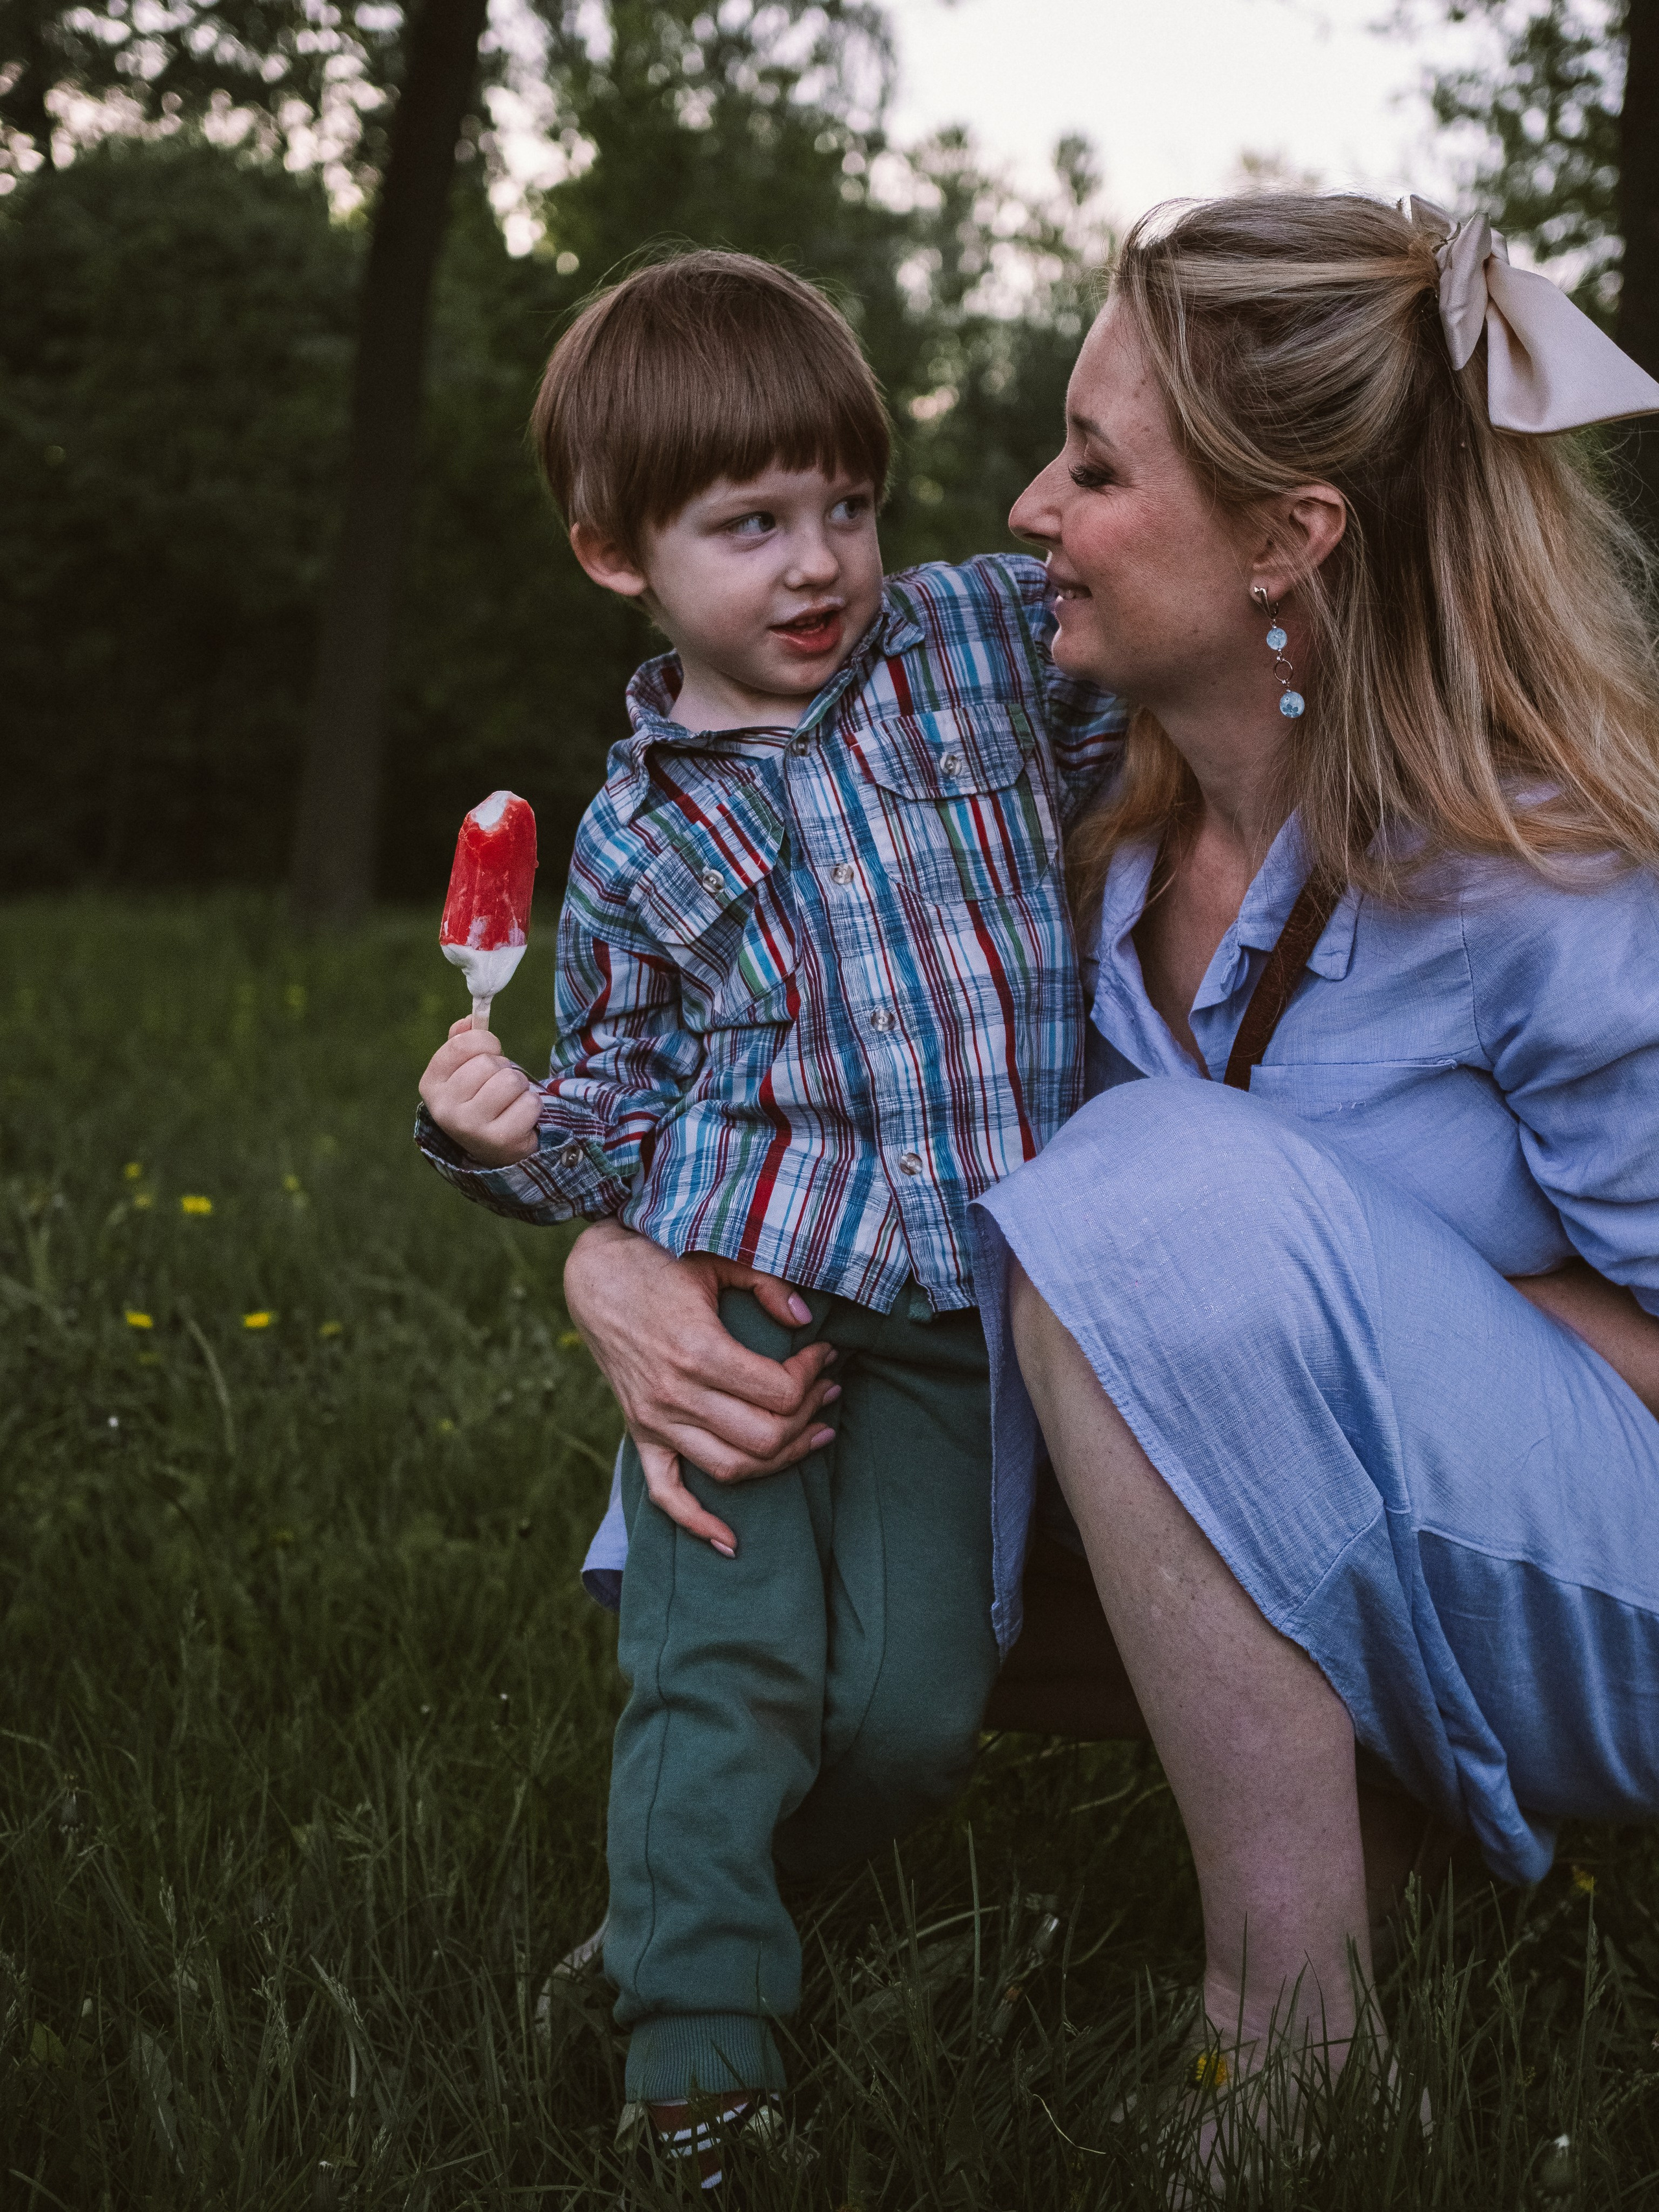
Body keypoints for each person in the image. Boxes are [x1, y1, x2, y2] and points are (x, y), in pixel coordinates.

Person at [965, 189, 1659, 2177]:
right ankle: (702, 1904)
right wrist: (620, 1266)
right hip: (1369, 1524)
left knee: (1154, 1194)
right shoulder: (1074, 795)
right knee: (853, 1300)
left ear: (1293, 541)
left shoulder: (1544, 879)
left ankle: (1301, 2038)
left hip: (1610, 1577)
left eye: (1096, 467)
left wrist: (1357, 1349)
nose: (1031, 507)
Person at [413, 250, 1122, 2180]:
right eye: (750, 525)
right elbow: (626, 1112)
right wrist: (506, 1136)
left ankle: (675, 1914)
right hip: (752, 1287)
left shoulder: (972, 644)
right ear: (614, 554)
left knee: (906, 1712)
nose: (819, 564)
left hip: (964, 1315)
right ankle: (697, 2059)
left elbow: (1146, 688)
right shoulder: (642, 831)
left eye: (846, 506)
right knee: (723, 1681)